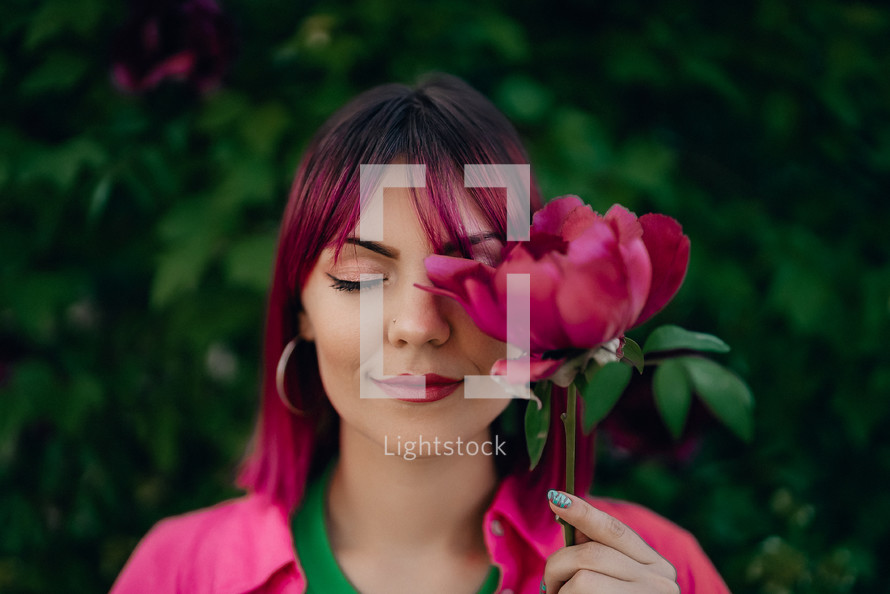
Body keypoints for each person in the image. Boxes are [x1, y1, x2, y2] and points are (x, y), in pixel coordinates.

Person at [111, 74, 730, 594]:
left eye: (471, 276)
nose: (416, 326)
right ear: (299, 310)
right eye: (358, 278)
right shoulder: (178, 571)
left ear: (535, 303)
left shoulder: (662, 571)